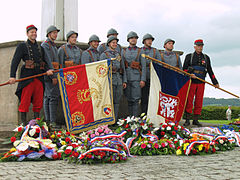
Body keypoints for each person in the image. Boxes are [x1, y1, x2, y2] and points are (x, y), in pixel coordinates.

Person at [9, 25, 53, 125]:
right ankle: (23, 124)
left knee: (38, 101)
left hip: (39, 76)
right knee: (25, 100)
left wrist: (49, 70)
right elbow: (15, 61)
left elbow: (44, 62)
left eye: (35, 32)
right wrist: (12, 76)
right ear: (27, 34)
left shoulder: (40, 48)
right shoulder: (22, 46)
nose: (34, 34)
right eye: (31, 32)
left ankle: (36, 123)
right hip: (27, 77)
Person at [183, 39, 219, 126]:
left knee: (199, 101)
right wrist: (190, 74)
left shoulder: (206, 58)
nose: (200, 47)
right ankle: (187, 119)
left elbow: (210, 71)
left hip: (201, 82)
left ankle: (196, 120)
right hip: (191, 81)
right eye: (198, 46)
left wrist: (215, 82)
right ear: (195, 46)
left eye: (201, 46)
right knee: (189, 100)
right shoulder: (189, 56)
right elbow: (184, 69)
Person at [100, 36, 127, 119]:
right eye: (113, 43)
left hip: (118, 79)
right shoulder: (104, 55)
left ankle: (114, 119)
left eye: (116, 43)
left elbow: (123, 68)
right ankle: (108, 120)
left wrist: (124, 81)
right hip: (109, 80)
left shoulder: (118, 55)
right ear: (109, 44)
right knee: (109, 101)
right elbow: (101, 70)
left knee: (117, 101)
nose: (115, 44)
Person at [122, 31, 146, 117]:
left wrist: (143, 79)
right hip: (127, 78)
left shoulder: (141, 50)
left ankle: (135, 119)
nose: (133, 39)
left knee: (136, 100)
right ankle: (130, 119)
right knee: (129, 99)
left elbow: (143, 66)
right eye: (132, 38)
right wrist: (124, 80)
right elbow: (122, 67)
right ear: (128, 40)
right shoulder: (124, 51)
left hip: (137, 78)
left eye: (135, 38)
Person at [41, 25, 61, 128]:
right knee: (51, 97)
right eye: (54, 33)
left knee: (49, 97)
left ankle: (49, 121)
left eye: (56, 33)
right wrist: (53, 76)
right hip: (50, 74)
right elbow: (48, 61)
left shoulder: (52, 45)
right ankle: (51, 121)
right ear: (49, 34)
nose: (56, 34)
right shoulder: (46, 45)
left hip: (54, 73)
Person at [140, 33, 161, 114]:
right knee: (144, 98)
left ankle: (152, 115)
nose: (150, 41)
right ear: (144, 41)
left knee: (153, 98)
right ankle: (144, 115)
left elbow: (159, 64)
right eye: (148, 40)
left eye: (151, 40)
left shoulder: (155, 51)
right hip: (143, 76)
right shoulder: (140, 51)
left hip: (153, 77)